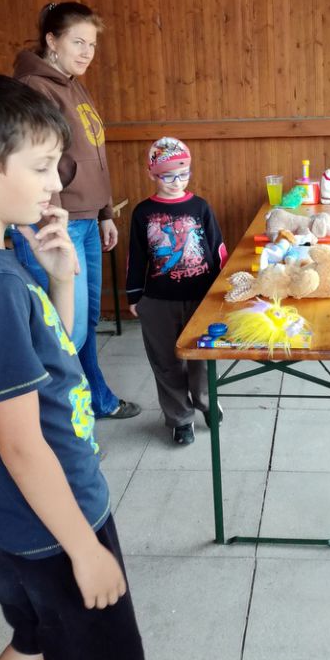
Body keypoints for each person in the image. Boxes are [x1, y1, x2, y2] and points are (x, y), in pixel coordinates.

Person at [0, 74, 144, 660]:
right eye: (42, 166)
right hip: (53, 522)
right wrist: (84, 549)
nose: (56, 184)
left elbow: (57, 352)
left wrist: (60, 278)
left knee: (35, 642)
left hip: (1, 519)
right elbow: (22, 447)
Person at [9, 1, 139, 420]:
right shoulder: (33, 87)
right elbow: (36, 160)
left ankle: (95, 400)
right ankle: (59, 421)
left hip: (84, 219)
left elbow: (92, 154)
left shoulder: (72, 83)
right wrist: (56, 223)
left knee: (85, 324)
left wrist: (105, 212)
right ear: (52, 40)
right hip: (55, 225)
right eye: (78, 42)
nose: (87, 52)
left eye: (92, 44)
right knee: (64, 330)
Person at [126, 137, 227, 445]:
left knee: (202, 356)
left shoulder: (200, 207)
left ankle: (206, 401)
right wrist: (134, 295)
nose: (176, 182)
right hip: (158, 300)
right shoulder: (143, 212)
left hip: (201, 297)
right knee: (165, 362)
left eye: (183, 174)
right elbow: (136, 256)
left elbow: (217, 248)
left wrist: (222, 290)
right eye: (167, 176)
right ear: (151, 174)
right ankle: (180, 418)